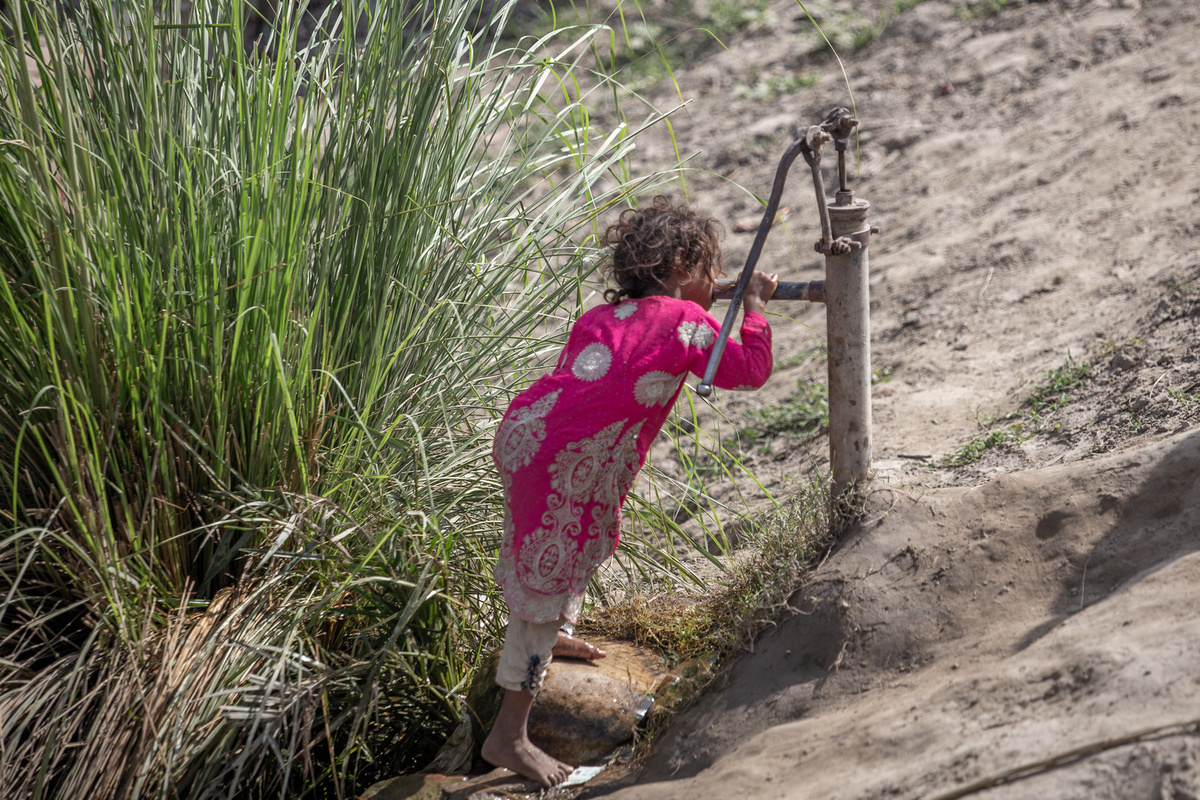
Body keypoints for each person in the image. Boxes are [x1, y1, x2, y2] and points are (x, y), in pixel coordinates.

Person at [481, 195, 779, 787]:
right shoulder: (685, 321)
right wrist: (752, 306)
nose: (715, 281)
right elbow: (749, 368)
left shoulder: (600, 318)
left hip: (530, 435)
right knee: (551, 564)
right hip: (567, 458)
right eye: (708, 270)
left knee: (573, 538)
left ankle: (556, 636)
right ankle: (508, 736)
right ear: (678, 268)